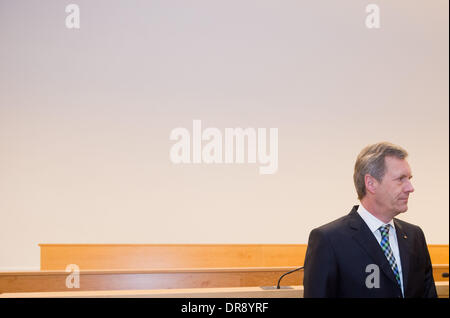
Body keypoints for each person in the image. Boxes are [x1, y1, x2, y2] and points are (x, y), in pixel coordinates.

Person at [303, 142, 437, 298]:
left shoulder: (415, 235)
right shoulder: (329, 240)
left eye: (409, 178)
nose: (410, 188)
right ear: (371, 183)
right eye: (401, 179)